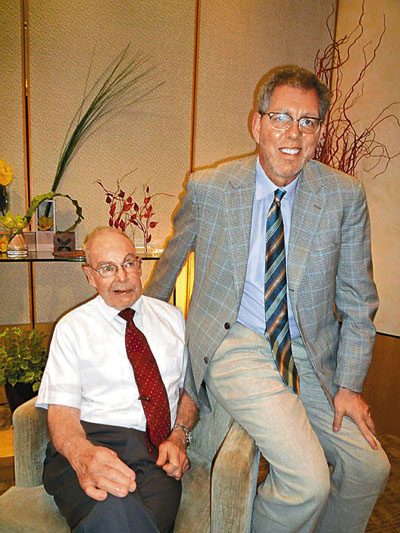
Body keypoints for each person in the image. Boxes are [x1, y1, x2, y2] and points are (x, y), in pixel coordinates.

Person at [145, 65, 390, 532]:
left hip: (311, 354)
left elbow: (359, 302)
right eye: (281, 118)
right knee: (308, 483)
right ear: (257, 124)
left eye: (308, 121)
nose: (294, 133)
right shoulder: (210, 188)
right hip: (236, 344)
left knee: (370, 468)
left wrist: (349, 385)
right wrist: (135, 337)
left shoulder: (343, 196)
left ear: (319, 133)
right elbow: (165, 274)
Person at [36, 227, 198, 533]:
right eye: (107, 268)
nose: (121, 277)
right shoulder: (72, 329)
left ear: (140, 266)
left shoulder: (173, 319)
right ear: (90, 276)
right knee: (112, 509)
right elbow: (62, 414)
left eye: (128, 263)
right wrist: (82, 455)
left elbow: (188, 390)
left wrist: (179, 436)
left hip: (153, 454)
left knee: (146, 519)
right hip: (89, 440)